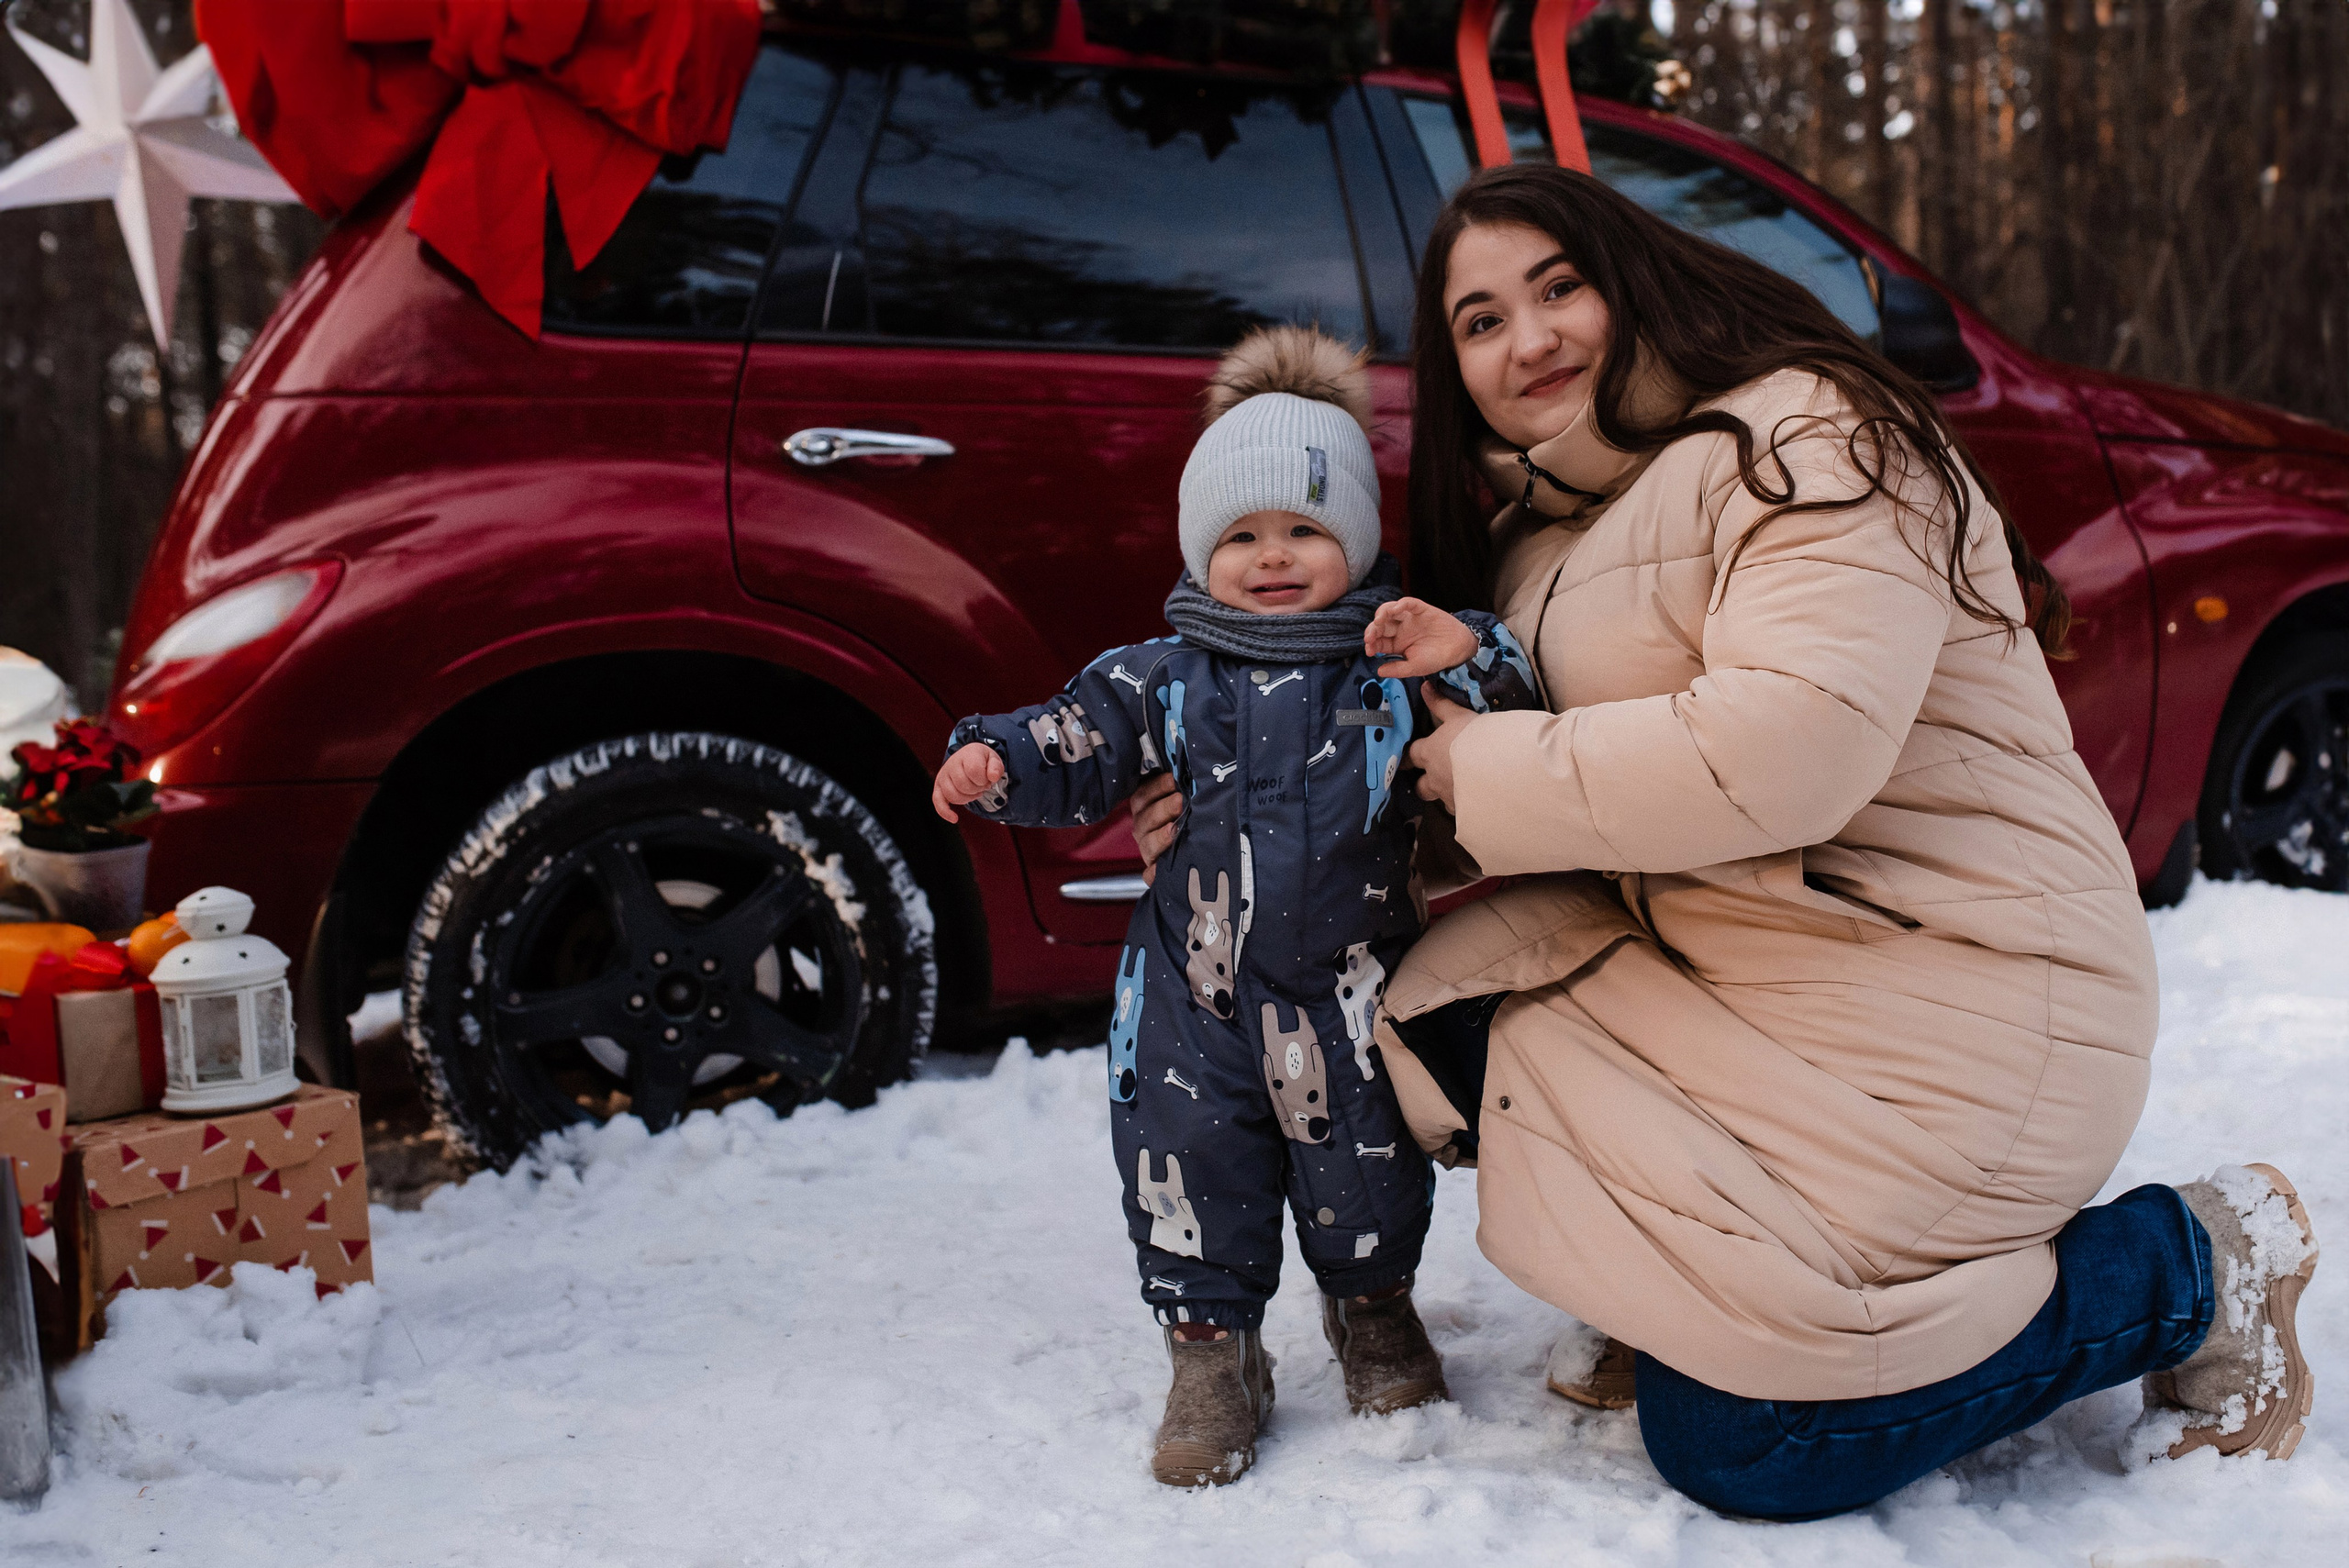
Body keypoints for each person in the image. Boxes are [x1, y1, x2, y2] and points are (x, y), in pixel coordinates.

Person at [1126, 165, 2320, 1519]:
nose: (1529, 340)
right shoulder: (1537, 547)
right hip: (1762, 983)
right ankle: (1697, 1289)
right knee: (1420, 1015)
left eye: (1558, 286)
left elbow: (1788, 753)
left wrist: (1484, 760)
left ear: (1634, 278)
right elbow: (1483, 786)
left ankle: (2187, 1268)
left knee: (1747, 1441)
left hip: (1962, 993)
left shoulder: (1809, 434)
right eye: (1477, 320)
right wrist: (1243, 820)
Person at [932, 326, 1539, 1488]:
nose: (1271, 556)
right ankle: (1211, 1353)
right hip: (1187, 994)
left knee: (1366, 1163)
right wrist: (994, 760)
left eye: (1304, 530)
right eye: (1241, 534)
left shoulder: (1384, 672)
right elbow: (1071, 737)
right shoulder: (1155, 676)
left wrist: (1464, 655)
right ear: (1198, 547)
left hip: (1349, 982)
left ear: (1352, 540)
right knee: (1186, 1161)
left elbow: (1517, 717)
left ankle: (1373, 1311)